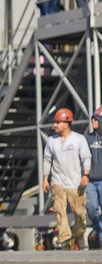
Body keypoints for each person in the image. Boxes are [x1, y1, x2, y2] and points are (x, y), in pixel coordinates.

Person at [43, 107, 91, 250]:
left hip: (75, 182)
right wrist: (46, 178)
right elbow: (47, 159)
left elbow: (86, 157)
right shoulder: (52, 141)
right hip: (58, 182)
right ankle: (65, 238)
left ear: (66, 123)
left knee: (79, 212)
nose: (55, 125)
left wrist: (86, 175)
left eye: (58, 122)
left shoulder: (78, 139)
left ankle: (79, 233)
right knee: (59, 210)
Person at [85, 108, 102, 249]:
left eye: (95, 120)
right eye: (92, 119)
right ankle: (100, 231)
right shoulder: (87, 138)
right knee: (91, 209)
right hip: (90, 181)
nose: (93, 122)